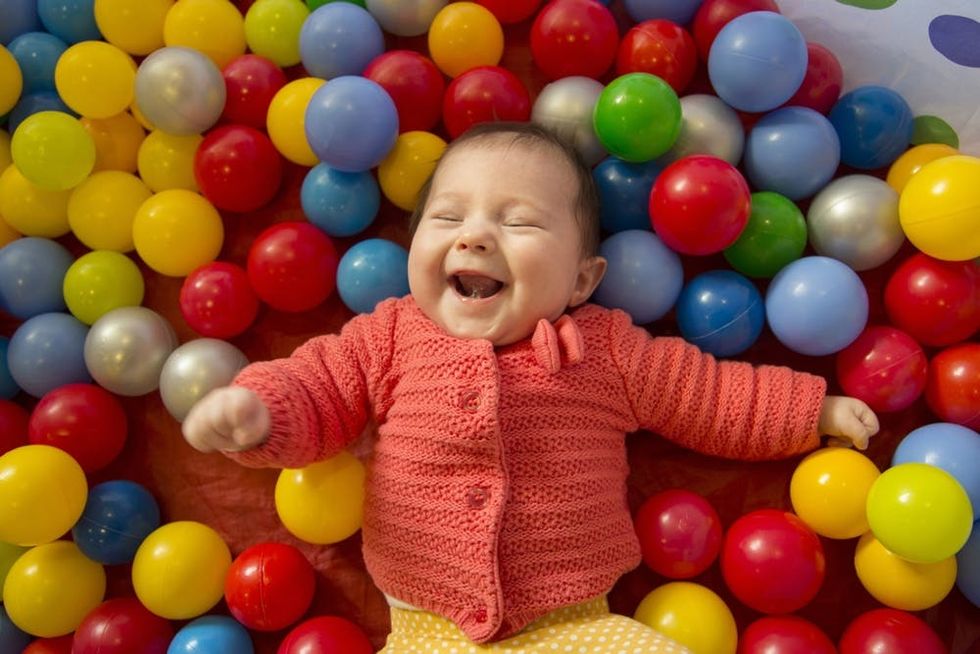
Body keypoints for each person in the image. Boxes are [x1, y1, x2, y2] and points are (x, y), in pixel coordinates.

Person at [183, 121, 879, 653]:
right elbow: (319, 389)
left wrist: (811, 409)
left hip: (572, 626)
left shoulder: (605, 349)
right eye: (448, 217)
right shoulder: (388, 336)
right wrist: (260, 410)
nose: (475, 237)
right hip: (428, 631)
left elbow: (707, 397)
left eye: (518, 222)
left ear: (582, 280)